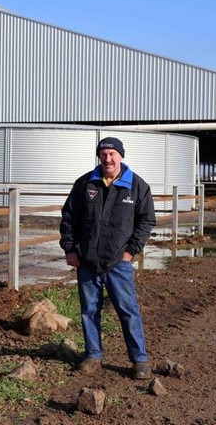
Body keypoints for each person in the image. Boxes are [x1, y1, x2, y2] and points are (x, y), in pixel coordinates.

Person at [59, 136, 156, 379]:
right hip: (87, 262)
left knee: (128, 310)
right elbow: (68, 218)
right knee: (89, 310)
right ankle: (93, 355)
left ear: (121, 156)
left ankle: (139, 360)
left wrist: (131, 251)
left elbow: (146, 221)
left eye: (112, 154)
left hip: (118, 263)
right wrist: (70, 249)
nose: (107, 159)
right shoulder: (85, 184)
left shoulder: (136, 186)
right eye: (103, 154)